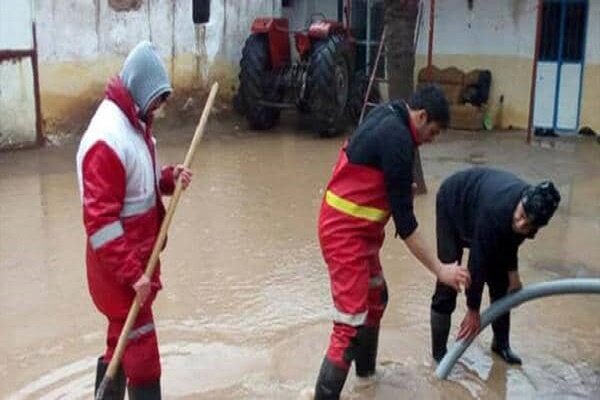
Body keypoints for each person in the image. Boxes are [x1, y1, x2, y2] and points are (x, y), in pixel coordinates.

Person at [313, 85, 471, 399]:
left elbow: (370, 171)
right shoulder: (399, 139)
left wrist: (396, 192)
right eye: (434, 132)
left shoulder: (390, 114)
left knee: (376, 299)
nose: (432, 140)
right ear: (422, 116)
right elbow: (408, 226)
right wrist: (441, 270)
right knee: (350, 324)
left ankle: (366, 379)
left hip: (360, 231)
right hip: (345, 235)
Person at [76, 41, 192, 399]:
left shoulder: (136, 124)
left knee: (119, 343)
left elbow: (143, 183)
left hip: (134, 265)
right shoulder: (106, 140)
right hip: (118, 274)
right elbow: (100, 223)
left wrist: (171, 178)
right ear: (141, 91)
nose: (160, 107)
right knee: (144, 359)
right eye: (157, 99)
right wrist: (133, 275)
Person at [430, 167, 560, 365]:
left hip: (481, 212)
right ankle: (439, 355)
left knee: (501, 284)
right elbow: (477, 262)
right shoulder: (497, 209)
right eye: (522, 215)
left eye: (529, 225)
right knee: (450, 280)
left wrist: (513, 274)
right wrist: (473, 309)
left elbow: (510, 241)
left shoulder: (530, 216)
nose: (521, 224)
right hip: (453, 203)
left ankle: (501, 345)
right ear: (522, 200)